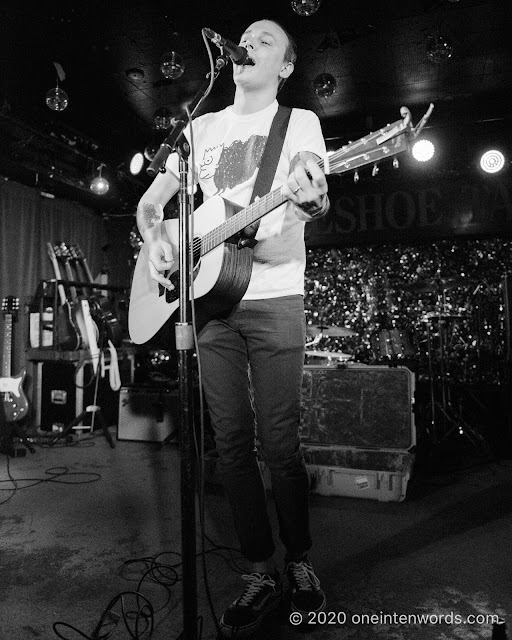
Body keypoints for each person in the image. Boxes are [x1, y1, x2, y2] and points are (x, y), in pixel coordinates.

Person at [136, 18, 329, 637]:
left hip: (274, 298)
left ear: (286, 67)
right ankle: (258, 568)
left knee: (280, 445)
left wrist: (313, 196)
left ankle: (298, 560)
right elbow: (149, 205)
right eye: (246, 38)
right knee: (231, 448)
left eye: (267, 40)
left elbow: (313, 192)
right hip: (209, 305)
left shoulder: (298, 123)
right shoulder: (200, 128)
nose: (250, 44)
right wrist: (158, 243)